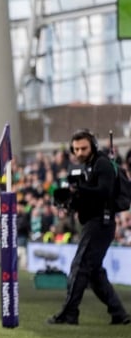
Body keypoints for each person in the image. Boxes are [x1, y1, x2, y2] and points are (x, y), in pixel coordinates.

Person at [48, 130, 130, 325]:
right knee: (93, 272)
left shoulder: (101, 164)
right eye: (76, 149)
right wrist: (71, 200)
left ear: (92, 145)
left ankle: (69, 313)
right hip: (96, 223)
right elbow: (92, 196)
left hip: (100, 223)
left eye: (83, 148)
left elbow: (104, 192)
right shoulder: (89, 165)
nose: (79, 152)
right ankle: (118, 313)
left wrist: (77, 190)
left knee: (80, 266)